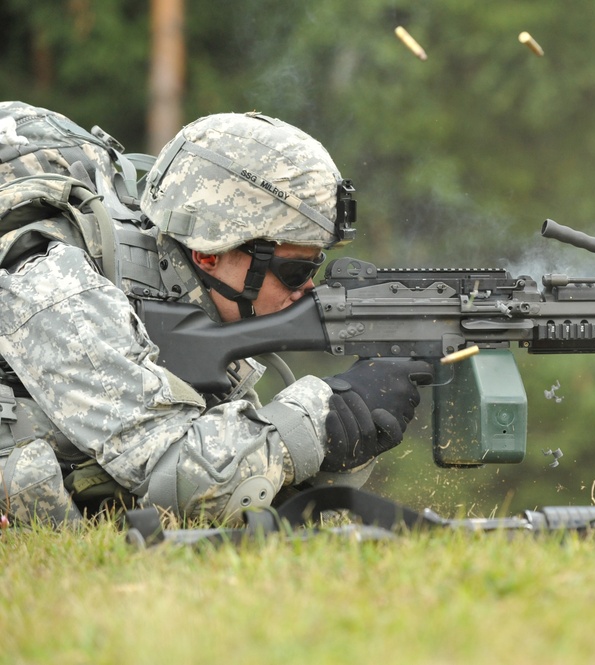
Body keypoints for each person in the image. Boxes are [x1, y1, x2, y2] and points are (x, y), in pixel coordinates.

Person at [0, 110, 430, 525]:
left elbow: (246, 494)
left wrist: (347, 436)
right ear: (209, 252)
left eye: (314, 268)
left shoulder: (180, 301)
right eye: (295, 271)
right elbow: (181, 479)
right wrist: (319, 415)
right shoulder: (58, 286)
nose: (308, 290)